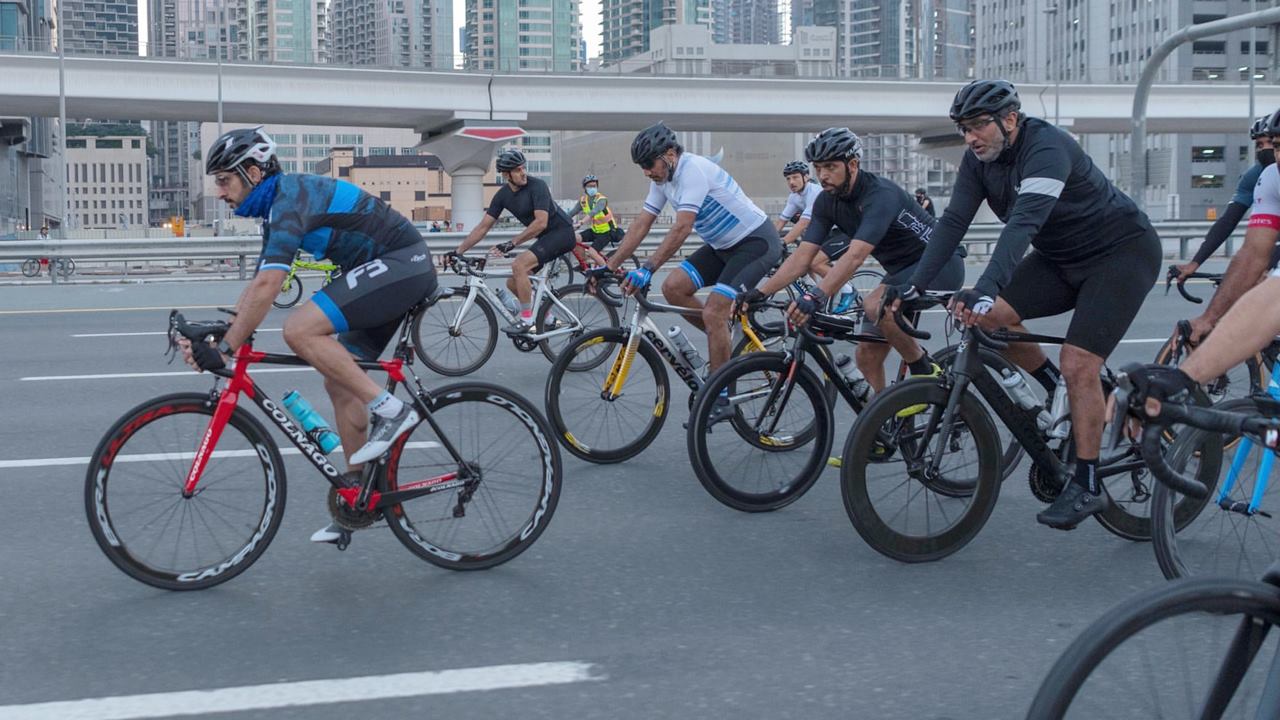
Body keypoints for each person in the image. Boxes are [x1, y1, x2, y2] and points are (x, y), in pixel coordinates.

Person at [885, 79, 1162, 530]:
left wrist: (986, 285)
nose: (970, 137)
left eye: (978, 126)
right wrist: (913, 283)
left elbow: (1023, 225)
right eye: (963, 128)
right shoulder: (980, 161)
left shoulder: (1047, 148)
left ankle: (1087, 482)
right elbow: (953, 221)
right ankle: (1061, 393)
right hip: (1061, 259)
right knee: (990, 322)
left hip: (1120, 255)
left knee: (1079, 363)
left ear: (1009, 119)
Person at [180, 126, 438, 545]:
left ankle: (394, 412)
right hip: (383, 270)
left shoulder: (288, 200)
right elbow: (260, 283)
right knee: (339, 382)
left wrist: (227, 347)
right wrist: (222, 330)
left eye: (224, 181)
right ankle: (359, 497)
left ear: (253, 172)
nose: (220, 192)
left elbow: (269, 289)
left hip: (402, 262)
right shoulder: (276, 209)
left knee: (298, 329)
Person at [745, 128, 964, 398]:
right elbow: (803, 256)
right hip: (901, 273)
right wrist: (760, 292)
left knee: (874, 305)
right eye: (818, 168)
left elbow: (856, 256)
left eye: (830, 167)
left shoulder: (880, 195)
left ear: (852, 165)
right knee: (866, 356)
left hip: (940, 265)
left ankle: (925, 370)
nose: (823, 175)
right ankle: (886, 422)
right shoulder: (827, 201)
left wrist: (815, 297)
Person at [602, 122, 781, 381]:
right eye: (642, 166)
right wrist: (609, 265)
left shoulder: (692, 170)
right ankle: (722, 337)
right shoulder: (662, 179)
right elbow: (642, 223)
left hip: (755, 242)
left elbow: (682, 227)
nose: (646, 172)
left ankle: (719, 394)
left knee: (714, 310)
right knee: (673, 288)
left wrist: (648, 268)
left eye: (649, 164)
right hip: (723, 247)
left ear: (670, 155)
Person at [1172, 110, 1280, 346]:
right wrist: (1195, 262)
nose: (1264, 149)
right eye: (1259, 144)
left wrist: (1268, 269)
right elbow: (1227, 222)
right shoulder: (1260, 176)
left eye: (1269, 143)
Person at [449, 147, 577, 334]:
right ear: (506, 175)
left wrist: (512, 243)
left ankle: (527, 321)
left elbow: (541, 223)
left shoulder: (538, 186)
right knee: (513, 282)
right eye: (518, 170)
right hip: (546, 238)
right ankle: (546, 318)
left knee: (519, 265)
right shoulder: (503, 196)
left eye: (523, 167)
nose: (523, 172)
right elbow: (482, 227)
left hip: (562, 233)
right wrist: (458, 252)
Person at [773, 160, 856, 312]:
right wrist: (770, 240)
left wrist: (783, 242)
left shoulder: (815, 192)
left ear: (806, 177)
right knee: (803, 259)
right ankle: (816, 294)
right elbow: (781, 221)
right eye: (788, 179)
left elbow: (803, 223)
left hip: (843, 232)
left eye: (795, 177)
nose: (791, 182)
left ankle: (848, 290)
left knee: (815, 263)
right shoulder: (794, 197)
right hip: (826, 233)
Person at [571, 174, 625, 253]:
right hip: (595, 231)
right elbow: (572, 212)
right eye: (589, 186)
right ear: (585, 188)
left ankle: (606, 266)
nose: (592, 188)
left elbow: (593, 212)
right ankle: (584, 264)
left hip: (607, 232)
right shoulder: (583, 200)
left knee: (592, 252)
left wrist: (581, 222)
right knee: (575, 239)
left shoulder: (601, 199)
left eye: (594, 186)